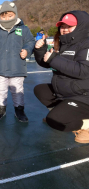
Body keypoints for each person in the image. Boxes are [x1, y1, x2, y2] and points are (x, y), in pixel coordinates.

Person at [34, 11, 89, 143]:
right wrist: (40, 51)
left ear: (81, 26)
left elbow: (84, 71)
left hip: (84, 95)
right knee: (40, 90)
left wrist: (54, 59)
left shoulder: (86, 44)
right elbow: (48, 63)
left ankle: (85, 125)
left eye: (69, 26)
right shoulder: (65, 44)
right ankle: (62, 113)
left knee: (56, 121)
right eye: (62, 26)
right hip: (66, 92)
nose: (64, 29)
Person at [0, 1, 35, 122]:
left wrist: (27, 50)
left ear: (15, 14)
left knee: (17, 90)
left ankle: (19, 110)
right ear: (0, 16)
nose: (6, 18)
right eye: (3, 16)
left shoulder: (23, 29)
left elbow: (30, 42)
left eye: (10, 15)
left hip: (17, 66)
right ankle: (1, 109)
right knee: (0, 90)